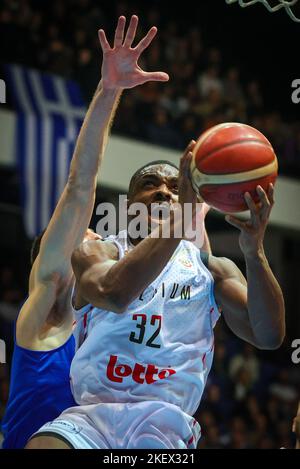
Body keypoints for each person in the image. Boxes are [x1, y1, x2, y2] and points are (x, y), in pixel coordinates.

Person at [26, 138, 285, 448]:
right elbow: (114, 294)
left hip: (164, 425)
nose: (164, 191)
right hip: (90, 419)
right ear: (130, 204)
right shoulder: (96, 252)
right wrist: (184, 212)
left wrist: (254, 251)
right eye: (151, 184)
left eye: (176, 187)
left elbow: (268, 335)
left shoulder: (212, 270)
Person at [1, 15, 170, 449]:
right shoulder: (54, 298)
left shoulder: (101, 328)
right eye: (92, 236)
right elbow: (79, 188)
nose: (102, 240)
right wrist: (109, 89)